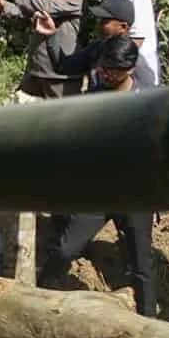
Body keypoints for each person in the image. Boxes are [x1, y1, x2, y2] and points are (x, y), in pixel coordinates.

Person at [37, 36, 156, 317]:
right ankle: (40, 289)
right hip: (98, 192)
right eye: (103, 68)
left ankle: (150, 320)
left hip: (136, 195)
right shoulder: (92, 97)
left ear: (129, 69)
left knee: (142, 263)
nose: (105, 74)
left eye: (112, 71)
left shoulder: (148, 100)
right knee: (67, 249)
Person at [36, 0, 158, 88]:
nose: (98, 25)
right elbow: (65, 66)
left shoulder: (136, 63)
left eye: (105, 21)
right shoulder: (97, 48)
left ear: (123, 27)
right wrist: (52, 34)